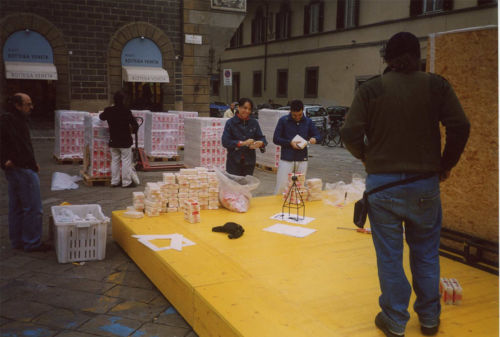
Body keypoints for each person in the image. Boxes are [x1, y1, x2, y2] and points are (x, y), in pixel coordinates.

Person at [341, 32, 470, 337]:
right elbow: (460, 126)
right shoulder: (436, 85)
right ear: (418, 55)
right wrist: (445, 164)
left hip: (382, 187)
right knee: (425, 253)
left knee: (390, 256)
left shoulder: (371, 89)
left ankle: (395, 320)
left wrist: (366, 156)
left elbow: (349, 132)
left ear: (387, 58)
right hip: (424, 184)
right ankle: (428, 318)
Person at [0, 93, 50, 252]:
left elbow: (23, 144)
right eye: (27, 104)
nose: (31, 107)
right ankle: (32, 242)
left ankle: (18, 241)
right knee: (33, 208)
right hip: (21, 168)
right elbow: (18, 145)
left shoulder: (14, 119)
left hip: (17, 167)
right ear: (17, 106)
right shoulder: (9, 120)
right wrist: (6, 160)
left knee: (17, 206)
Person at [273, 99, 320, 195]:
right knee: (282, 186)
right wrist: (289, 143)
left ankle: (296, 205)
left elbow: (318, 135)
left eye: (299, 115)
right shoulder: (283, 121)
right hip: (286, 159)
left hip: (302, 159)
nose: (297, 117)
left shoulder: (308, 122)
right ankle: (277, 206)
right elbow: (276, 139)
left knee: (299, 187)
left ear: (302, 111)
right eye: (294, 115)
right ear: (290, 111)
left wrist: (315, 139)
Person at [99, 91, 139, 188]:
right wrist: (133, 131)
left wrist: (110, 109)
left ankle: (114, 181)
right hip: (125, 140)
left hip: (114, 140)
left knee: (115, 160)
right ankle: (126, 182)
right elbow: (135, 124)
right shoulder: (126, 111)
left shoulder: (109, 110)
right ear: (123, 100)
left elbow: (101, 117)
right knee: (126, 161)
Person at [221, 97, 267, 176]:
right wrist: (242, 143)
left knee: (247, 186)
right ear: (239, 107)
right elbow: (225, 142)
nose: (247, 111)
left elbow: (261, 138)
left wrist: (261, 143)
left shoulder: (254, 123)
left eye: (249, 109)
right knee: (234, 186)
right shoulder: (230, 123)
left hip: (249, 162)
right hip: (234, 161)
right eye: (245, 108)